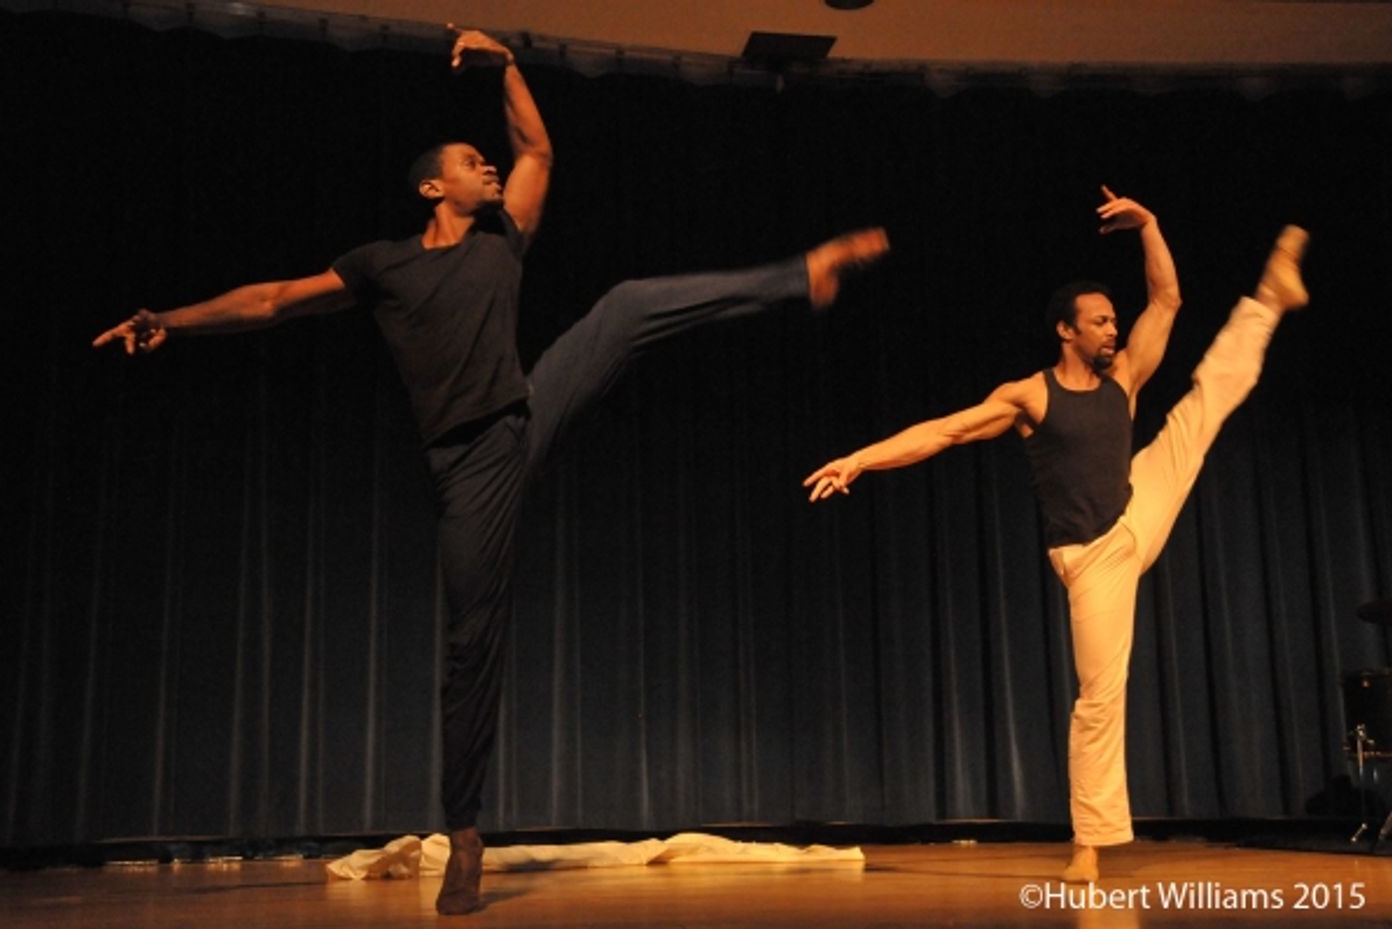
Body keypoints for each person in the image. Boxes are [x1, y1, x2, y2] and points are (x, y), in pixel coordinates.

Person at [94, 27, 888, 915]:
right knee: (473, 642)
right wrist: (172, 317)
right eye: (474, 163)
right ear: (435, 185)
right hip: (468, 464)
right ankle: (464, 831)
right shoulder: (384, 266)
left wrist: (507, 66)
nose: (493, 171)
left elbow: (537, 147)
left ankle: (800, 272)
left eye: (488, 161)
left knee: (624, 307)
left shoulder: (503, 240)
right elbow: (273, 300)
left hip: (527, 409)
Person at [804, 187, 1308, 883]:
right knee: (1100, 696)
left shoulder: (1125, 377)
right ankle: (1090, 843)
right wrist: (860, 457)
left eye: (1112, 320)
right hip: (1094, 556)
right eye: (1099, 321)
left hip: (1138, 505)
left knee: (1203, 405)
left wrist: (1152, 225)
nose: (1112, 329)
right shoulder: (1031, 395)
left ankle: (1270, 299)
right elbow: (944, 431)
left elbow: (1166, 302)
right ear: (1066, 331)